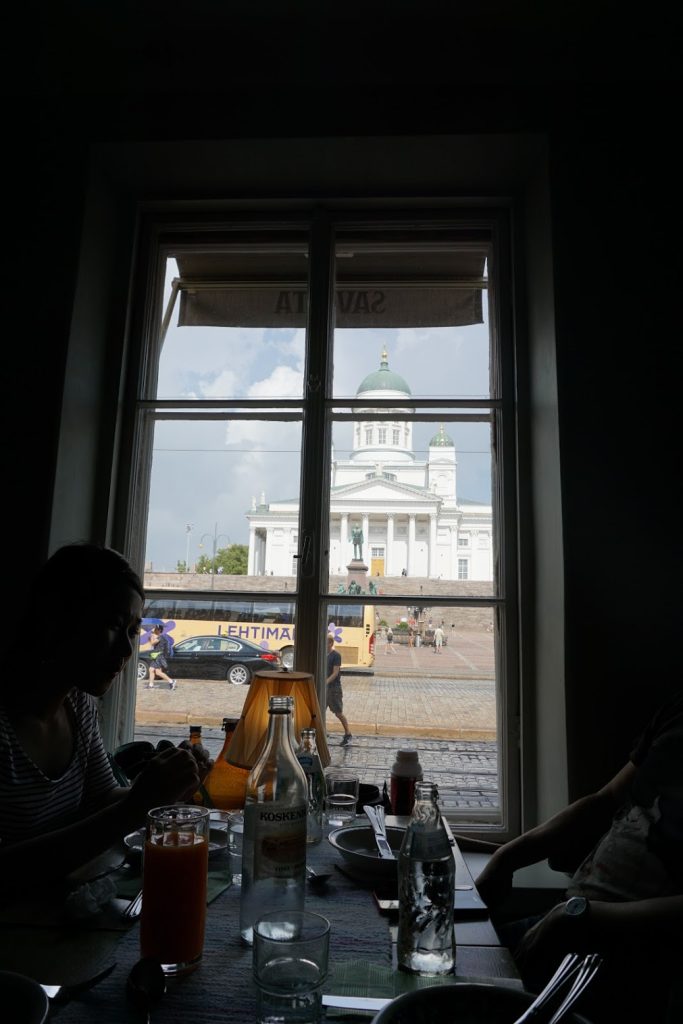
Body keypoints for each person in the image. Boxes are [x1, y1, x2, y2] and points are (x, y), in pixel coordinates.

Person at [0, 542, 206, 900]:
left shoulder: (77, 704)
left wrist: (166, 790)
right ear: (56, 618)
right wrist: (136, 806)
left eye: (133, 631)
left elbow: (102, 798)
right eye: (113, 625)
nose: (127, 650)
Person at [475, 691, 683, 1023]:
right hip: (570, 921)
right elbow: (606, 800)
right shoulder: (675, 712)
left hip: (632, 956)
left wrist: (577, 918)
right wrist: (506, 857)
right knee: (448, 959)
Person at [326, 634, 352, 747]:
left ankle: (348, 733)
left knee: (338, 712)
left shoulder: (336, 655)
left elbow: (335, 672)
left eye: (325, 642)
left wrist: (326, 682)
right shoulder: (322, 654)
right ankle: (322, 732)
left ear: (330, 643)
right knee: (320, 711)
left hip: (334, 688)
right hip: (325, 688)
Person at [146, 623, 176, 689]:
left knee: (157, 672)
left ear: (160, 630)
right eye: (155, 629)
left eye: (156, 629)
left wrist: (152, 636)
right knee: (151, 670)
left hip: (159, 656)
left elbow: (152, 643)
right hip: (156, 656)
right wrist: (152, 637)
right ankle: (151, 685)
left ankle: (171, 681)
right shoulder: (157, 637)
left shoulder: (161, 637)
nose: (155, 630)